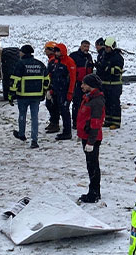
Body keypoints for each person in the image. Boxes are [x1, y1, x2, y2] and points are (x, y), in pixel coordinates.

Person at [9, 44, 48, 148]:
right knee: (34, 118)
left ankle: (21, 134)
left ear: (23, 53)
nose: (19, 53)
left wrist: (11, 94)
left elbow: (15, 80)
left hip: (23, 96)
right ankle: (34, 140)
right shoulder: (40, 64)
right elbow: (47, 80)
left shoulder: (20, 64)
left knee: (22, 115)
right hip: (36, 96)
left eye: (20, 51)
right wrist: (44, 91)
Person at [76, 74, 106, 203]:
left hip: (91, 139)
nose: (82, 86)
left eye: (84, 84)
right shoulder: (89, 98)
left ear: (91, 86)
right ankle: (93, 191)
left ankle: (94, 193)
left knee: (93, 166)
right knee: (90, 165)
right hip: (87, 137)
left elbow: (95, 123)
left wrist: (91, 142)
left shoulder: (96, 101)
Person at [44, 42, 74, 140]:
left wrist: (70, 92)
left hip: (64, 91)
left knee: (65, 111)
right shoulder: (56, 62)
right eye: (55, 51)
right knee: (58, 109)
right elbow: (53, 77)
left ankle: (67, 132)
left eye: (58, 51)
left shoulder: (69, 62)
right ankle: (60, 127)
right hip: (57, 91)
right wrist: (51, 90)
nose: (56, 53)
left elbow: (73, 78)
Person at [97, 37, 125, 129]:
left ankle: (116, 122)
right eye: (106, 47)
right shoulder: (104, 55)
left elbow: (117, 70)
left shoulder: (118, 57)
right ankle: (108, 120)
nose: (106, 49)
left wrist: (106, 68)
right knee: (107, 103)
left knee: (115, 103)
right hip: (105, 83)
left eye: (108, 47)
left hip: (115, 84)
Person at [70, 40, 95, 127]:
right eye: (84, 46)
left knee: (86, 103)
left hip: (87, 84)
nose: (86, 48)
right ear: (80, 46)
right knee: (76, 103)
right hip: (77, 83)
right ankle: (75, 122)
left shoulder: (89, 57)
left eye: (88, 47)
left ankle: (84, 120)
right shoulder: (74, 56)